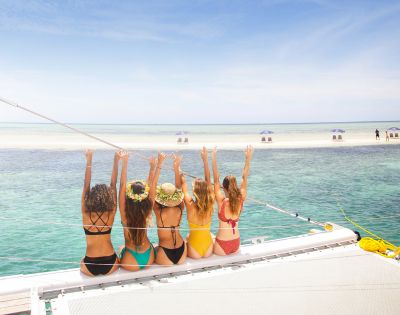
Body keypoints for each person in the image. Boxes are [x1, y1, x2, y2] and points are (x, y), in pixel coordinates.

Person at [80, 149, 121, 276]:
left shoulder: (86, 213)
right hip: (111, 262)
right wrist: (116, 160)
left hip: (89, 264)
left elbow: (86, 185)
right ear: (108, 197)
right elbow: (113, 185)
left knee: (81, 262)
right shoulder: (111, 213)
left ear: (91, 197)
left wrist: (89, 159)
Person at [118, 152, 160, 271]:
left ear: (129, 196)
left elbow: (121, 185)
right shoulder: (146, 211)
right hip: (149, 256)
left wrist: (124, 162)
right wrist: (154, 167)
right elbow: (152, 186)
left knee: (121, 248)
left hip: (130, 260)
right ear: (144, 197)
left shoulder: (124, 213)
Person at [212, 146, 253, 255]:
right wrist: (248, 158)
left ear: (223, 187)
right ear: (235, 186)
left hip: (222, 243)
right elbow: (245, 177)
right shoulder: (241, 198)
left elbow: (216, 180)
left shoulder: (221, 201)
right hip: (236, 242)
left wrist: (213, 157)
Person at [177, 147, 215, 258]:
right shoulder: (211, 202)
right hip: (208, 246)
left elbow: (183, 182)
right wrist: (205, 160)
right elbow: (208, 181)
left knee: (188, 237)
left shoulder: (190, 204)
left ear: (194, 191)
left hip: (194, 248)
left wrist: (178, 166)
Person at [153, 154, 187, 265]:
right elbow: (179, 187)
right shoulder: (181, 207)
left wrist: (159, 164)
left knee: (152, 248)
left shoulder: (159, 211)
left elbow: (152, 188)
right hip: (182, 249)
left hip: (164, 252)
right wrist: (177, 168)